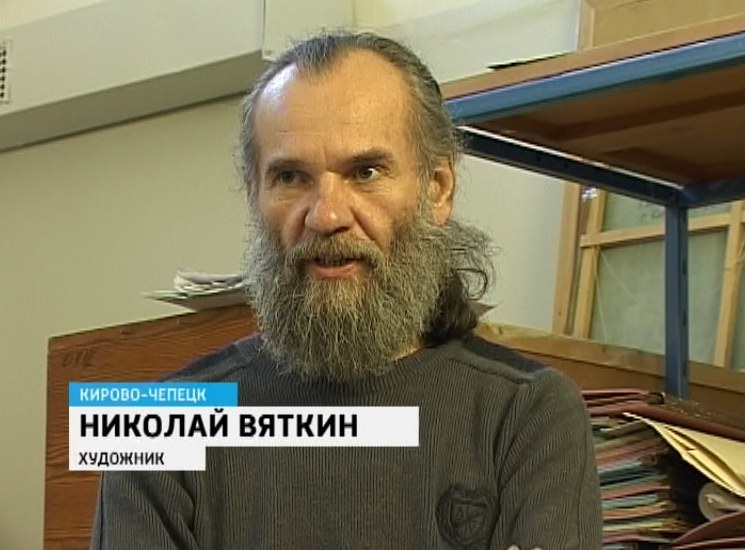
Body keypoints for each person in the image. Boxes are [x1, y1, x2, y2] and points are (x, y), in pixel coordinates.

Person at [90, 32, 601, 549]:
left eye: (365, 172)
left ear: (437, 188)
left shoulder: (531, 412)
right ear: (253, 194)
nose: (327, 215)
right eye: (291, 177)